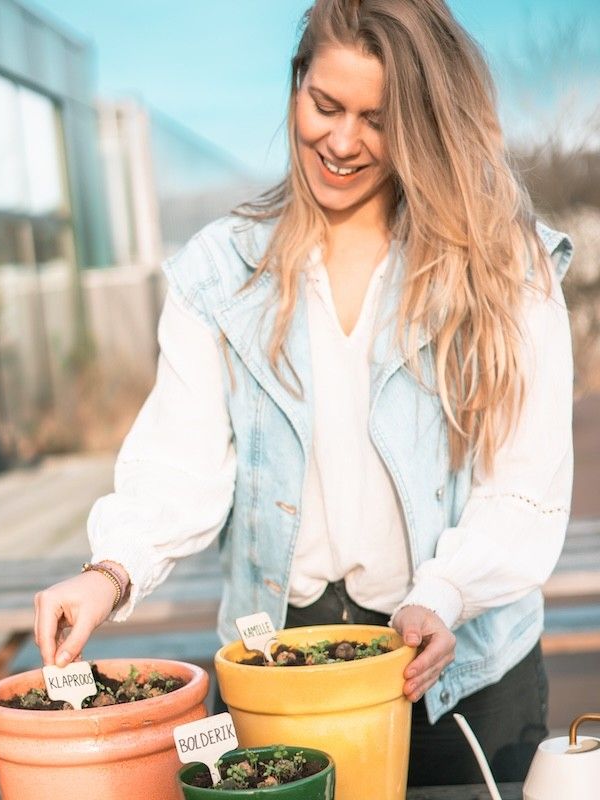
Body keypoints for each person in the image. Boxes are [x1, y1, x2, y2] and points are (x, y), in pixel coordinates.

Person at [34, 0, 573, 786]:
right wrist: (107, 572)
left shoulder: (504, 268)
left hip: (463, 675)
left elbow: (524, 483)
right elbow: (180, 465)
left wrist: (446, 594)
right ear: (295, 86)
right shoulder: (222, 274)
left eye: (377, 119)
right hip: (275, 678)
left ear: (424, 124)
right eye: (325, 105)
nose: (342, 141)